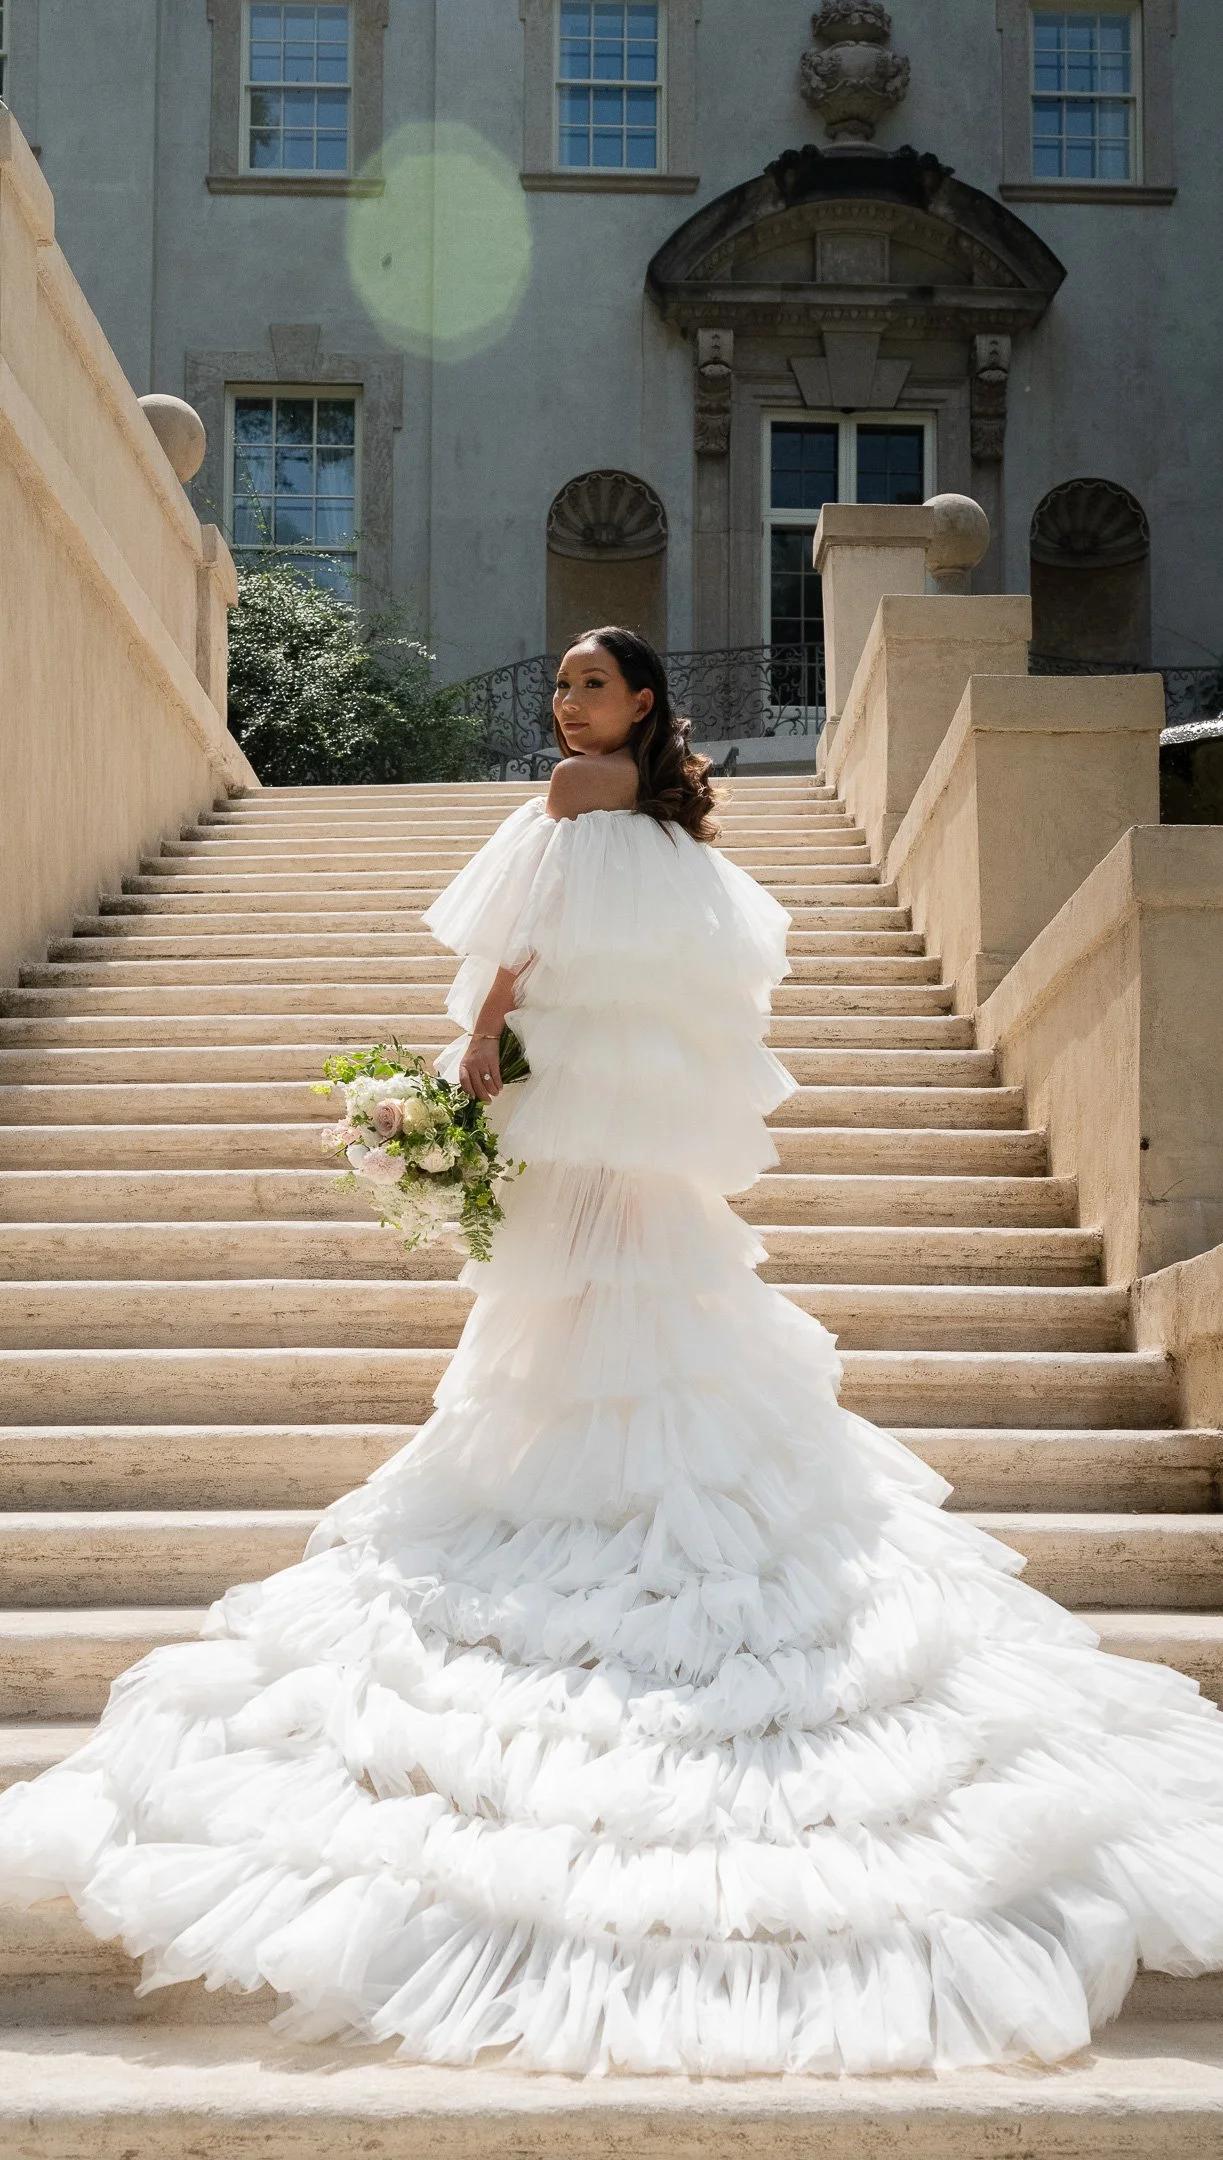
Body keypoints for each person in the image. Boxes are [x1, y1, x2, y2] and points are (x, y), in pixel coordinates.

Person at [1, 625, 1222, 2075]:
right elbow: (688, 988)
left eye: (591, 685)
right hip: (631, 1125)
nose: (569, 704)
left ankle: (587, 1509)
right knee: (623, 1316)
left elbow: (511, 954)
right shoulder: (669, 828)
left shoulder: (576, 801)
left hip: (574, 1101)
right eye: (567, 685)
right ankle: (640, 1499)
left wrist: (468, 1062)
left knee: (560, 1321)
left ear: (639, 703)